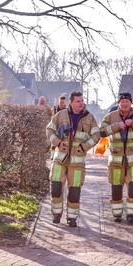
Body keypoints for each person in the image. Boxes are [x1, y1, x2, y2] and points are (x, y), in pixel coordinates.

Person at [45, 91, 98, 227]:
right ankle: (56, 214)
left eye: (82, 101)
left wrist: (85, 146)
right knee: (56, 187)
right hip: (59, 160)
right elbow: (49, 130)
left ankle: (72, 218)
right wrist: (57, 142)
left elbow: (96, 135)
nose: (81, 103)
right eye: (78, 101)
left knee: (74, 191)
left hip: (77, 163)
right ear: (71, 102)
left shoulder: (89, 118)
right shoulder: (61, 115)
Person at [99, 92, 133, 224]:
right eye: (122, 101)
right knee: (116, 188)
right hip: (116, 162)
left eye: (127, 101)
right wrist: (118, 126)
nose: (124, 103)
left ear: (131, 102)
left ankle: (131, 215)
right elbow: (101, 132)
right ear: (119, 103)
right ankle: (117, 214)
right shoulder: (110, 117)